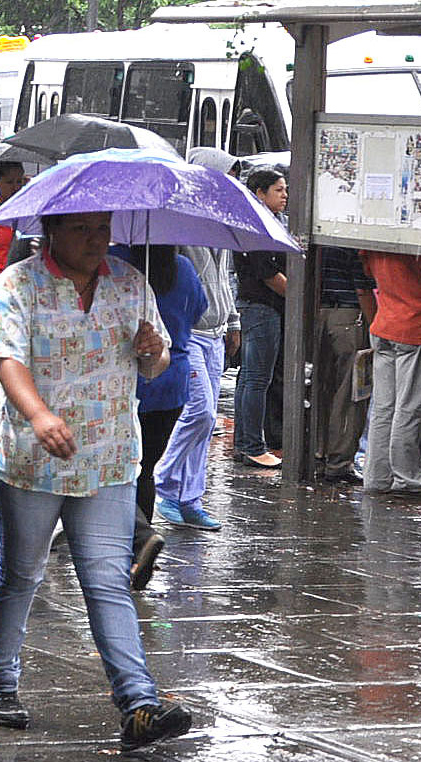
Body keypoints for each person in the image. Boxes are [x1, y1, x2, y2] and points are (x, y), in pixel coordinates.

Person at [0, 210, 192, 749]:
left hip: (108, 458)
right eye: (82, 230)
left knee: (107, 578)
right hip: (29, 458)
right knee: (22, 572)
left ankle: (138, 702)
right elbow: (3, 358)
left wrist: (151, 351)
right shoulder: (19, 282)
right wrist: (40, 416)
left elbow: (157, 361)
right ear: (52, 231)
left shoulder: (129, 282)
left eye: (102, 229)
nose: (96, 240)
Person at [108, 244, 206, 591]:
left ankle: (133, 544)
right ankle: (139, 547)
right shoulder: (183, 267)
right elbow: (199, 311)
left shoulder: (115, 266)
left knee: (119, 471)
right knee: (144, 468)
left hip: (131, 382)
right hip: (172, 382)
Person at [154, 245, 240, 531]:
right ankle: (165, 481)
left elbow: (225, 278)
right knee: (199, 413)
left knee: (207, 421)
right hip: (189, 333)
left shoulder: (219, 235)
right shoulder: (184, 238)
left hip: (216, 334)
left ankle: (190, 499)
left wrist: (232, 320)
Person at [361, 250, 421, 501]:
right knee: (411, 406)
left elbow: (367, 268)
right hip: (420, 324)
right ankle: (409, 480)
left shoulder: (376, 232)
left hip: (386, 319)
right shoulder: (420, 235)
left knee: (384, 407)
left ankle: (378, 477)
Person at [232, 168, 289, 469]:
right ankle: (252, 445)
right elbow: (268, 273)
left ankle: (246, 442)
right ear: (260, 193)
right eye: (278, 190)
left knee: (251, 378)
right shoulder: (255, 225)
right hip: (261, 307)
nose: (285, 195)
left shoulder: (270, 222)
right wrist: (298, 295)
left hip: (261, 307)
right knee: (256, 378)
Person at [313, 246, 376, 485]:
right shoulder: (350, 238)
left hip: (322, 312)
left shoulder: (321, 235)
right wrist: (375, 326)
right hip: (351, 316)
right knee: (350, 394)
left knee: (323, 388)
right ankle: (339, 462)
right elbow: (362, 288)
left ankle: (320, 453)